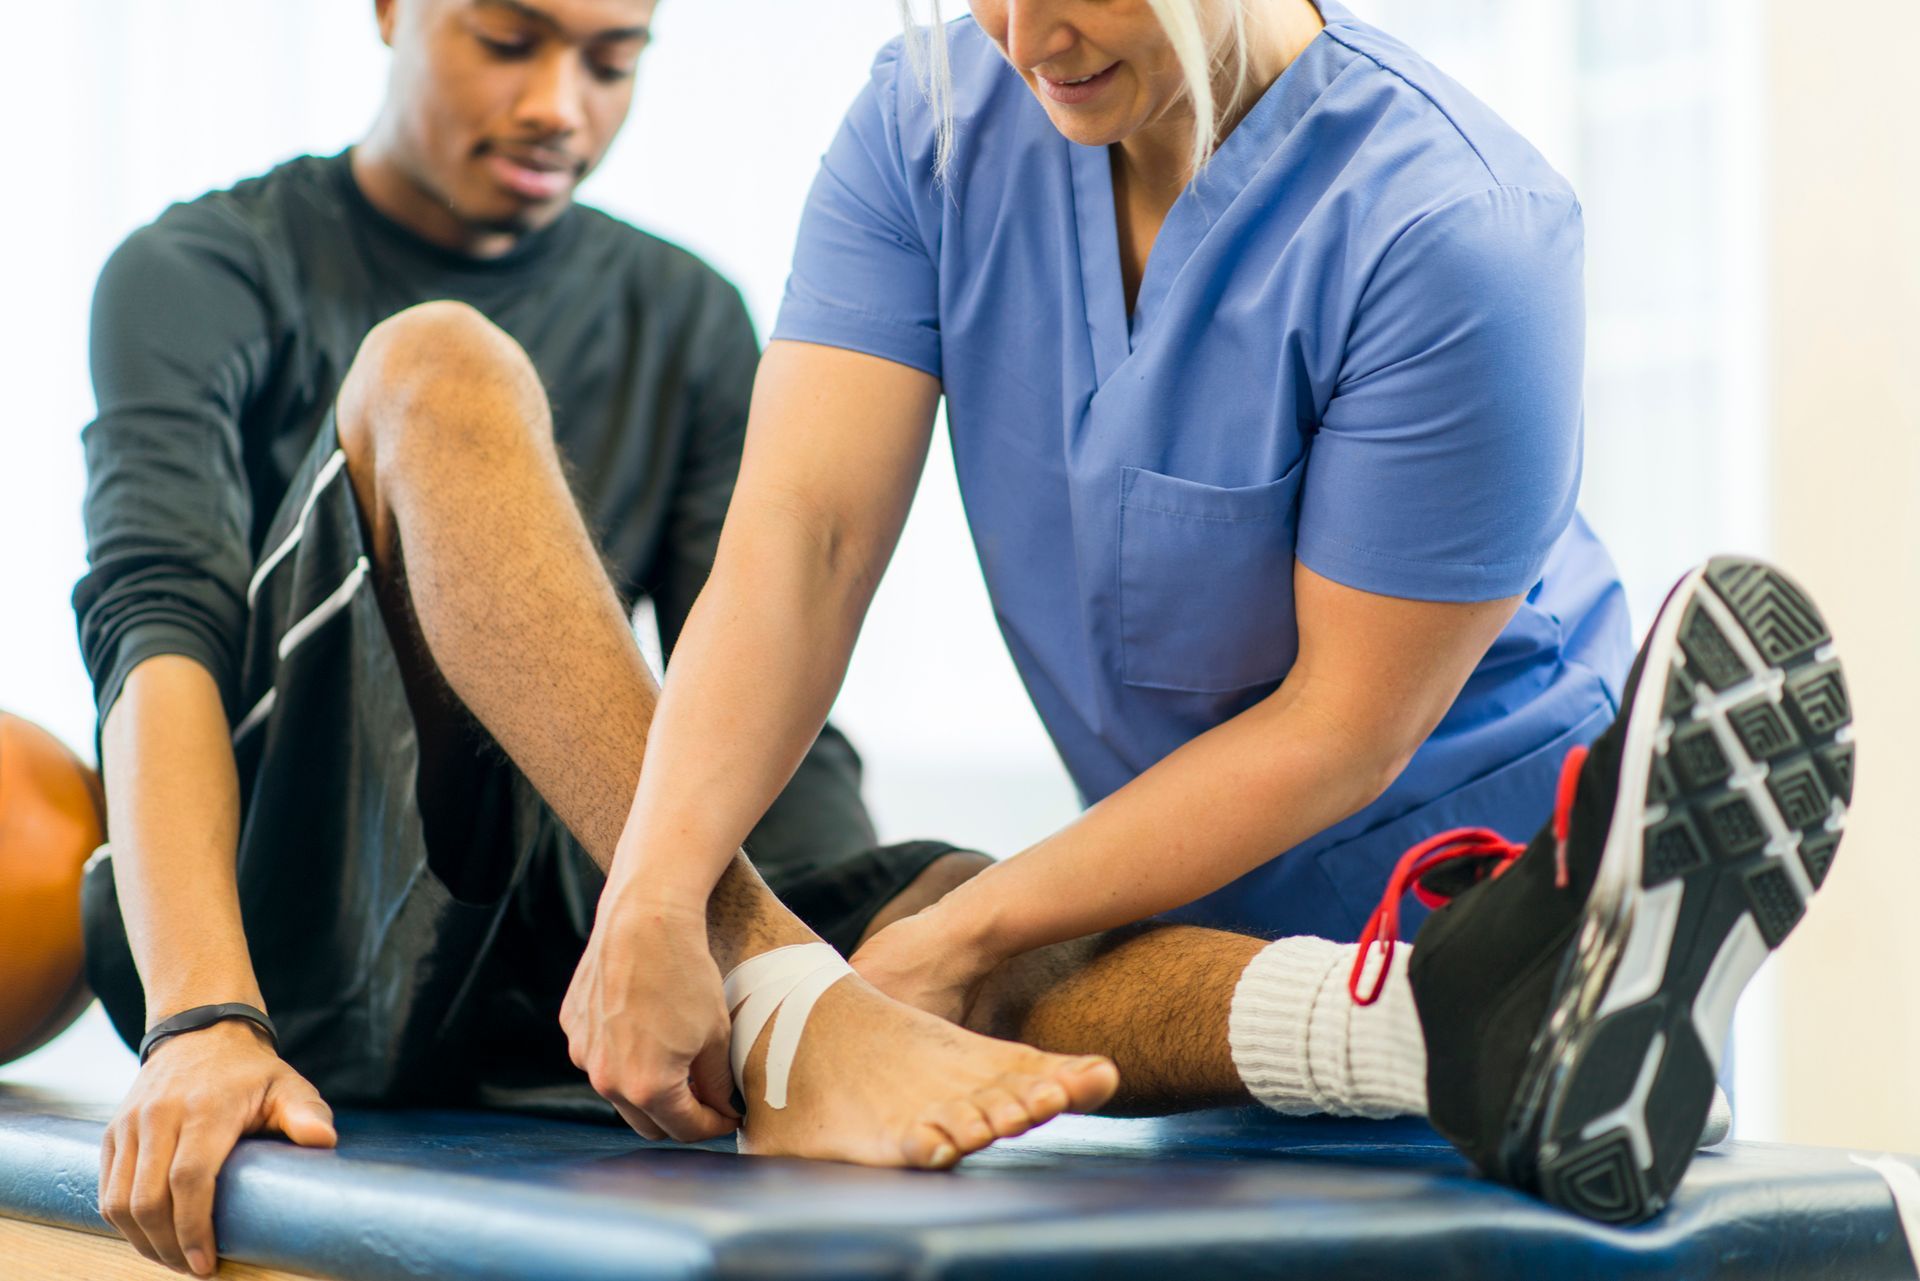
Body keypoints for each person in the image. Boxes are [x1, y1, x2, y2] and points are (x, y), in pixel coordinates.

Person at [562, 0, 1853, 1231]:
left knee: (956, 930)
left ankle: (1525, 999)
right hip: (1191, 943)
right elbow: (806, 542)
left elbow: (1342, 728)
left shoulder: (1455, 229)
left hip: (1491, 905)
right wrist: (655, 893)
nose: (1027, 39)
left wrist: (961, 935)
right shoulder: (933, 126)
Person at [71, 1, 1120, 1275]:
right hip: (289, 946)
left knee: (982, 915)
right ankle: (790, 997)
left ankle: (1341, 1026)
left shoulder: (682, 310)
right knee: (434, 362)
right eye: (509, 43)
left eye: (612, 62)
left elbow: (753, 675)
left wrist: (860, 942)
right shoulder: (198, 267)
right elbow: (154, 636)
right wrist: (199, 1017)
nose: (560, 108)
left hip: (576, 959)